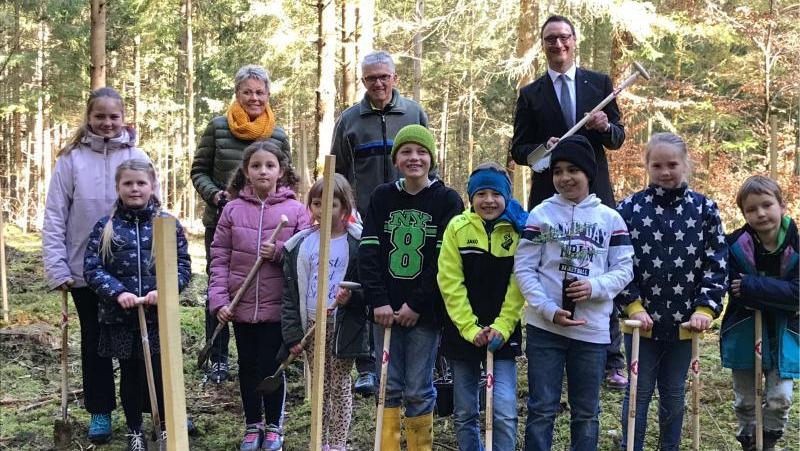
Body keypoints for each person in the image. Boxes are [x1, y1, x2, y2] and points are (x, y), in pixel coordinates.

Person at [510, 14, 629, 390]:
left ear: (574, 41)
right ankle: (552, 350)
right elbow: (518, 150)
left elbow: (618, 137)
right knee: (551, 267)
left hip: (594, 196)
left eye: (563, 38)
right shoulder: (531, 94)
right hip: (550, 195)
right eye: (549, 39)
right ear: (542, 45)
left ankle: (611, 356)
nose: (557, 45)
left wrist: (603, 127)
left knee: (597, 268)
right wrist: (540, 149)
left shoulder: (601, 85)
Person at [43, 87, 153, 443]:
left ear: (124, 118)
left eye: (113, 117)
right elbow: (55, 215)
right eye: (100, 116)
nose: (107, 123)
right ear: (88, 118)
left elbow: (155, 209)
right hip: (83, 271)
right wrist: (57, 267)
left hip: (133, 270)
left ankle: (145, 411)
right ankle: (101, 411)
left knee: (134, 344)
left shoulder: (138, 156)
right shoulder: (71, 159)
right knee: (95, 343)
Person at [514, 135, 634, 451]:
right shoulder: (540, 215)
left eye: (573, 170)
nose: (565, 178)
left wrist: (595, 287)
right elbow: (524, 268)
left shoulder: (610, 219)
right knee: (541, 408)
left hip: (591, 332)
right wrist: (545, 308)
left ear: (588, 173)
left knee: (586, 411)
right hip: (545, 328)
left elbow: (624, 269)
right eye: (558, 171)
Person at [615, 132, 727, 451]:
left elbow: (716, 262)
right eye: (657, 165)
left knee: (674, 392)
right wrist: (632, 305)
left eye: (672, 164)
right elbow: (617, 262)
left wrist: (705, 309)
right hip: (641, 323)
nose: (665, 172)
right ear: (647, 167)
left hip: (684, 323)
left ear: (686, 164)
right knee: (638, 390)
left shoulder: (705, 209)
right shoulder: (629, 209)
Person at [360, 125, 463, 450]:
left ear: (431, 158)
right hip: (384, 311)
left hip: (425, 314)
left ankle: (420, 446)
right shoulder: (382, 196)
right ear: (396, 159)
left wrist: (417, 304)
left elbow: (443, 262)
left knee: (419, 388)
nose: (414, 158)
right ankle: (388, 445)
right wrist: (378, 300)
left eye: (421, 152)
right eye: (406, 151)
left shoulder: (447, 200)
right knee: (387, 386)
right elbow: (369, 250)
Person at [331, 50, 428, 394]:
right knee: (361, 285)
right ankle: (366, 366)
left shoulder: (414, 113)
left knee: (408, 280)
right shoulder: (349, 120)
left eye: (384, 76)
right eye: (371, 78)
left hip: (410, 217)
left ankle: (413, 357)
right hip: (364, 219)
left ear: (395, 78)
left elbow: (429, 163)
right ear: (363, 81)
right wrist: (344, 212)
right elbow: (339, 174)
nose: (378, 83)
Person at [191, 64, 291, 384]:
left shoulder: (277, 135)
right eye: (247, 92)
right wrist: (215, 195)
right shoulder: (218, 128)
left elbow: (286, 179)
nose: (254, 98)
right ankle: (219, 358)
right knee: (220, 287)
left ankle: (269, 352)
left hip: (271, 225)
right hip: (224, 221)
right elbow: (198, 171)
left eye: (260, 92)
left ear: (268, 95)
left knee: (268, 287)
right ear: (237, 94)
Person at [208, 140, 310, 451]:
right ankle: (253, 425)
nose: (263, 170)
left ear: (281, 171)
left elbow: (306, 256)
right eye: (256, 166)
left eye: (269, 165)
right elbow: (219, 257)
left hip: (277, 308)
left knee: (271, 366)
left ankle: (275, 426)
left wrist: (279, 252)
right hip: (240, 307)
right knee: (247, 366)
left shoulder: (296, 211)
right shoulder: (232, 210)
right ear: (246, 172)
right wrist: (219, 301)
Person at [83, 159, 191, 450]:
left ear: (152, 186)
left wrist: (163, 290)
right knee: (130, 373)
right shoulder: (106, 226)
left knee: (159, 370)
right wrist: (118, 293)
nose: (134, 188)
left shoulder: (168, 224)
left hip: (158, 317)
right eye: (128, 183)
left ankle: (166, 425)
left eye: (141, 183)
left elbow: (183, 266)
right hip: (120, 317)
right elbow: (92, 268)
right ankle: (134, 429)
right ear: (118, 187)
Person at [437, 162, 527, 450]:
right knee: (465, 411)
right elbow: (449, 281)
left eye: (496, 194)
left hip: (503, 333)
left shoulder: (518, 231)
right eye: (481, 194)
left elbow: (519, 285)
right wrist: (469, 328)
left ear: (507, 197)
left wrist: (502, 326)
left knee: (503, 409)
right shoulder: (458, 228)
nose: (488, 200)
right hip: (463, 332)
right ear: (471, 197)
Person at [281, 174, 371, 451]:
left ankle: (337, 443)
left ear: (344, 207)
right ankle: (318, 441)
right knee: (319, 386)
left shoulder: (358, 242)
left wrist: (351, 297)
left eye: (330, 204)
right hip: (312, 322)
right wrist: (293, 333)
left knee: (340, 384)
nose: (323, 210)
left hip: (343, 324)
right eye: (317, 204)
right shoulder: (301, 245)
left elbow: (369, 286)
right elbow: (290, 293)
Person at [721, 175, 798, 451]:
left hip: (784, 334)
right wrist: (779, 292)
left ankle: (769, 443)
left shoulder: (796, 246)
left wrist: (753, 286)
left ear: (782, 205)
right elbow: (732, 287)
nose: (761, 213)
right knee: (745, 400)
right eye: (751, 209)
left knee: (780, 397)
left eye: (767, 205)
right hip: (744, 330)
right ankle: (749, 443)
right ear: (743, 213)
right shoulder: (733, 246)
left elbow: (797, 295)